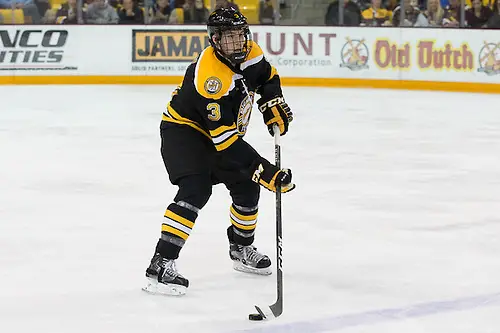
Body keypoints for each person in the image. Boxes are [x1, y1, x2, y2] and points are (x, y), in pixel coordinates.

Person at [143, 7, 295, 296]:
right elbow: (224, 143)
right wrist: (266, 171)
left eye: (241, 35)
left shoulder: (250, 52)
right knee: (196, 190)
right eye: (229, 37)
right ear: (214, 40)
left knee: (248, 187)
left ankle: (241, 247)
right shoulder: (210, 77)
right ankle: (161, 264)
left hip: (218, 135)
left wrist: (272, 100)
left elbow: (268, 76)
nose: (237, 43)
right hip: (184, 133)